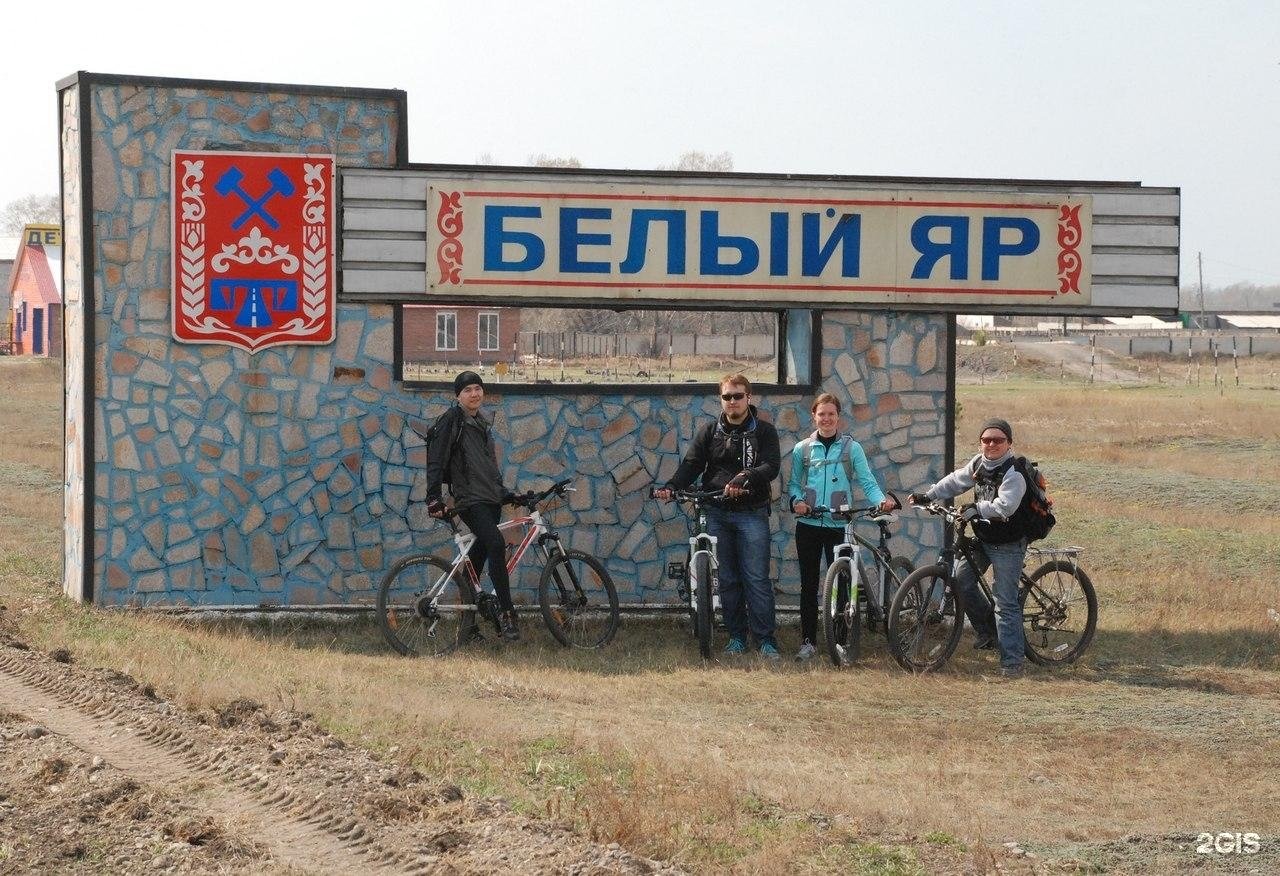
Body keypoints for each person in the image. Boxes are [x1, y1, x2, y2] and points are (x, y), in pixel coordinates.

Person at [654, 375, 783, 659]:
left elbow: (771, 466)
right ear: (720, 399)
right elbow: (692, 464)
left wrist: (745, 476)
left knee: (756, 578)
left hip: (752, 513)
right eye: (727, 397)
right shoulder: (709, 432)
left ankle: (765, 640)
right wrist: (672, 487)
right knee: (726, 579)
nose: (733, 402)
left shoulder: (764, 431)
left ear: (749, 397)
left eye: (738, 396)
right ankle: (736, 636)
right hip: (717, 512)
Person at [909, 417, 1029, 679]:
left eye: (998, 440)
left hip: (1008, 542)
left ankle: (1013, 663)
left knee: (1005, 602)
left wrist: (978, 508)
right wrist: (929, 495)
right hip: (984, 538)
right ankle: (988, 632)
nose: (991, 444)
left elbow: (1006, 506)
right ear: (980, 443)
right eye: (986, 440)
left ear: (1009, 443)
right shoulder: (978, 463)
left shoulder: (1014, 472)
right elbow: (956, 481)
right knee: (961, 583)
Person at [787, 393, 898, 661]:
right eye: (821, 414)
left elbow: (867, 481)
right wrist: (796, 501)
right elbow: (793, 484)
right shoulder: (801, 449)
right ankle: (808, 642)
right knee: (809, 585)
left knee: (843, 583)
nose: (826, 419)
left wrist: (881, 501)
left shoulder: (852, 449)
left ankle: (841, 639)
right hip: (809, 524)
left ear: (839, 417)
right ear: (813, 416)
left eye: (831, 414)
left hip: (840, 524)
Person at [425, 370, 520, 641]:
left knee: (475, 564)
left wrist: (505, 493)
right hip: (470, 500)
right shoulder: (451, 421)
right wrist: (433, 498)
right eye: (467, 390)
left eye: (478, 388)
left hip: (490, 500)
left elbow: (487, 466)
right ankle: (507, 614)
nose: (474, 393)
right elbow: (435, 461)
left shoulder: (481, 424)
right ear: (458, 395)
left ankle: (469, 627)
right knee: (496, 544)